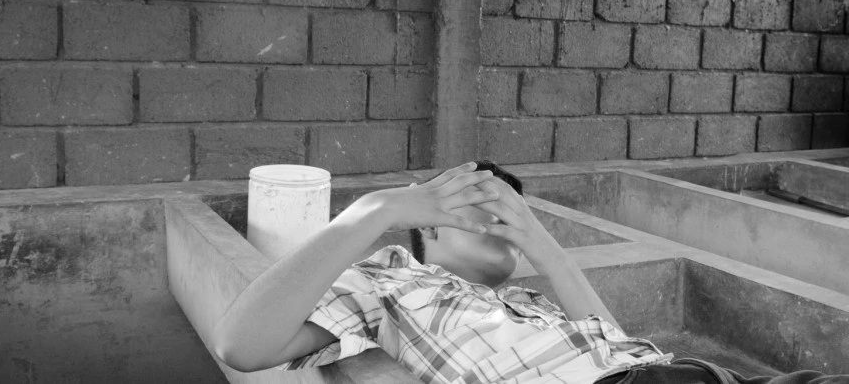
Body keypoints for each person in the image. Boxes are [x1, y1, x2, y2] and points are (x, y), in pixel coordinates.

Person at [213, 161, 848, 384]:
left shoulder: (524, 304)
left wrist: (542, 243)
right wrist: (375, 210)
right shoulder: (393, 282)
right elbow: (241, 344)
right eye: (478, 207)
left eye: (510, 213)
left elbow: (616, 349)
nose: (501, 221)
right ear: (429, 224)